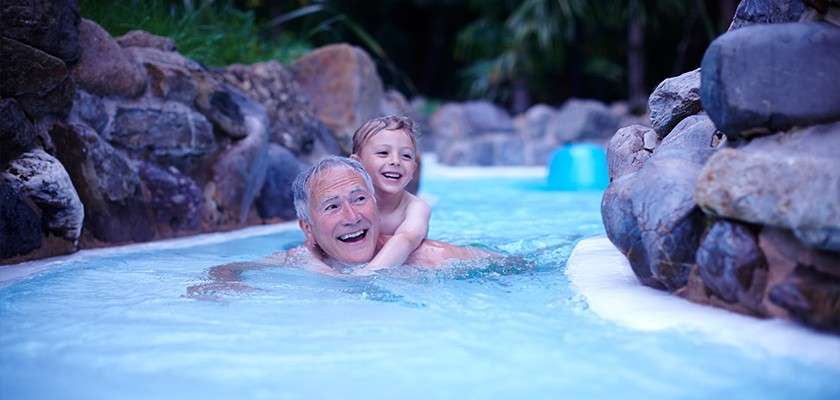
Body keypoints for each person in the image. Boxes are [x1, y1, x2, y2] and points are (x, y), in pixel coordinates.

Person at [188, 156, 488, 296]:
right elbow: (229, 268)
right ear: (307, 229)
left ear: (375, 204)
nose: (351, 216)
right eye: (332, 206)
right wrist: (222, 285)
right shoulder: (299, 260)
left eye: (359, 199)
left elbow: (516, 267)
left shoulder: (429, 257)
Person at [348, 115, 430, 272]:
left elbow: (406, 239)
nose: (395, 161)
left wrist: (366, 274)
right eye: (383, 153)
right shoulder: (348, 204)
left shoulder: (416, 207)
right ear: (356, 164)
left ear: (413, 169)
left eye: (406, 155)